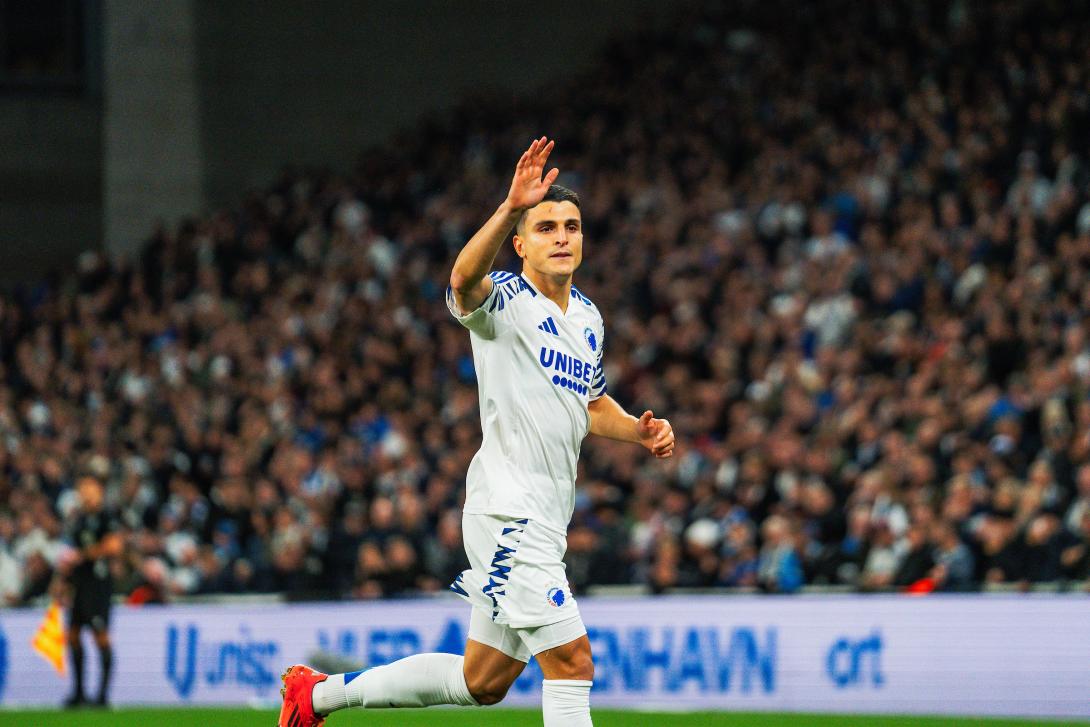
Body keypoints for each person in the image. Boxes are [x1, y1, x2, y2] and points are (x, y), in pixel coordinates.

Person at [278, 136, 675, 727]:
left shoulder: (588, 317)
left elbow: (590, 406)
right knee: (572, 663)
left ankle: (315, 696)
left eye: (571, 227)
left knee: (481, 681)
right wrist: (511, 206)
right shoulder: (506, 300)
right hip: (509, 512)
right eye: (545, 228)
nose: (561, 237)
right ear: (520, 243)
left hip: (546, 517)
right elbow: (463, 280)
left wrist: (636, 432)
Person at [60, 475, 123, 707]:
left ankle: (102, 696)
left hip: (98, 586)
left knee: (100, 636)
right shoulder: (78, 520)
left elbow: (115, 546)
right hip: (79, 585)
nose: (85, 493)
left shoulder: (107, 517)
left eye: (89, 489)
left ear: (99, 492)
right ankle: (79, 693)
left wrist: (84, 555)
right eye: (82, 489)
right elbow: (72, 552)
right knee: (73, 635)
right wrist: (65, 579)